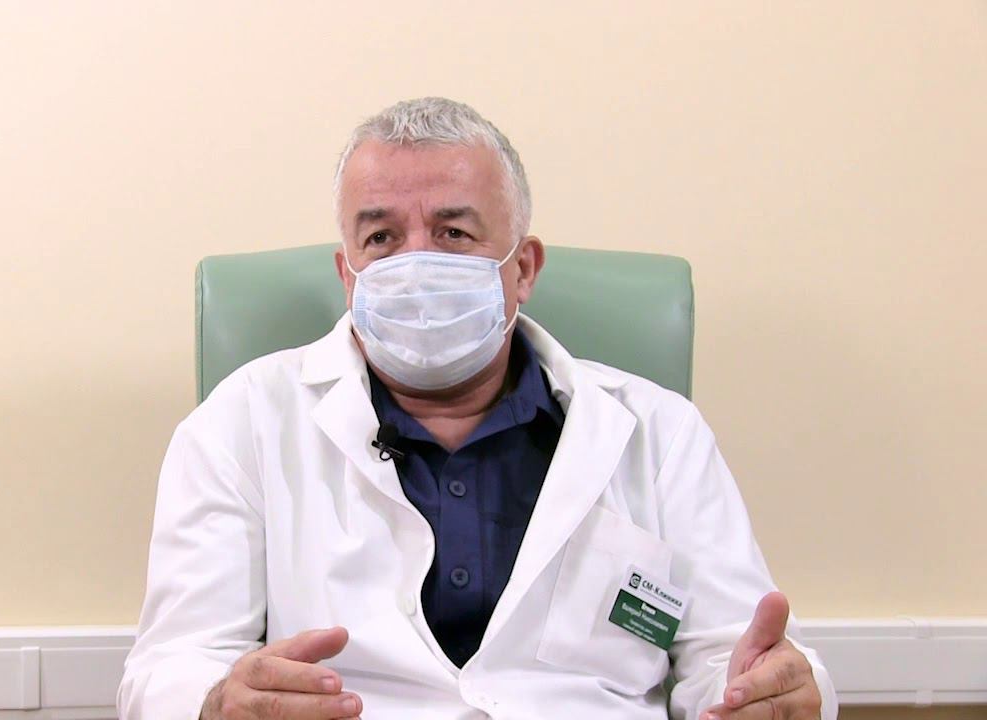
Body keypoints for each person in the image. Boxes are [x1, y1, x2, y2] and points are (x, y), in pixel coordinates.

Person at [118, 97, 836, 720]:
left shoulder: (658, 433)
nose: (415, 265)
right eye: (381, 238)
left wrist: (779, 692)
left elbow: (735, 661)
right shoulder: (240, 425)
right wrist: (215, 702)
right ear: (348, 275)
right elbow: (170, 666)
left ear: (522, 268)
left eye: (453, 233)